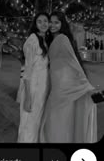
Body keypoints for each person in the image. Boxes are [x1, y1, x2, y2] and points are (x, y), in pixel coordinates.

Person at [40, 12, 97, 143]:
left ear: (62, 24)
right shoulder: (52, 39)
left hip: (62, 82)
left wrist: (84, 83)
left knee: (55, 114)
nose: (52, 25)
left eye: (56, 22)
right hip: (55, 80)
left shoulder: (62, 39)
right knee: (57, 114)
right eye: (51, 22)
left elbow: (73, 62)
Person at [18, 13, 50, 143]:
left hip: (42, 88)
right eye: (39, 21)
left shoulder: (44, 40)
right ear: (35, 24)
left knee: (36, 123)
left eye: (45, 21)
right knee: (28, 124)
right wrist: (28, 98)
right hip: (33, 88)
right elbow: (27, 70)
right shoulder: (32, 40)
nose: (43, 24)